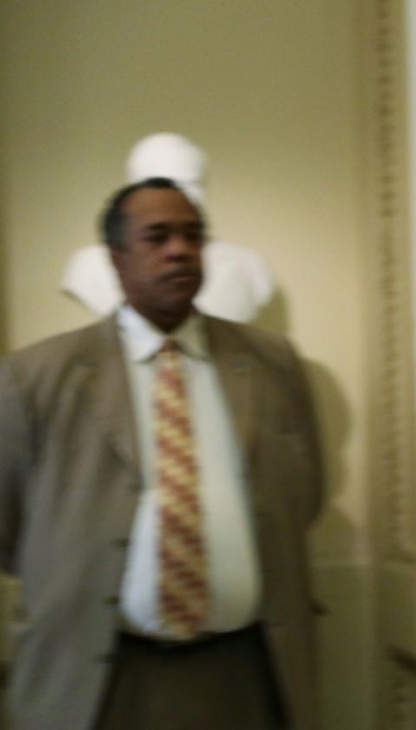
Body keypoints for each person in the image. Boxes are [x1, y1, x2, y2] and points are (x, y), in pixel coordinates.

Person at [0, 178, 323, 730]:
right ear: (117, 257)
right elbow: (9, 528)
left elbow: (305, 493)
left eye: (193, 236)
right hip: (98, 679)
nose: (180, 250)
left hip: (246, 671)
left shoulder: (271, 361)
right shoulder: (37, 376)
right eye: (158, 237)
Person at [61, 133, 275, 322]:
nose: (174, 198)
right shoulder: (86, 264)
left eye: (189, 185)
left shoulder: (250, 265)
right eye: (160, 186)